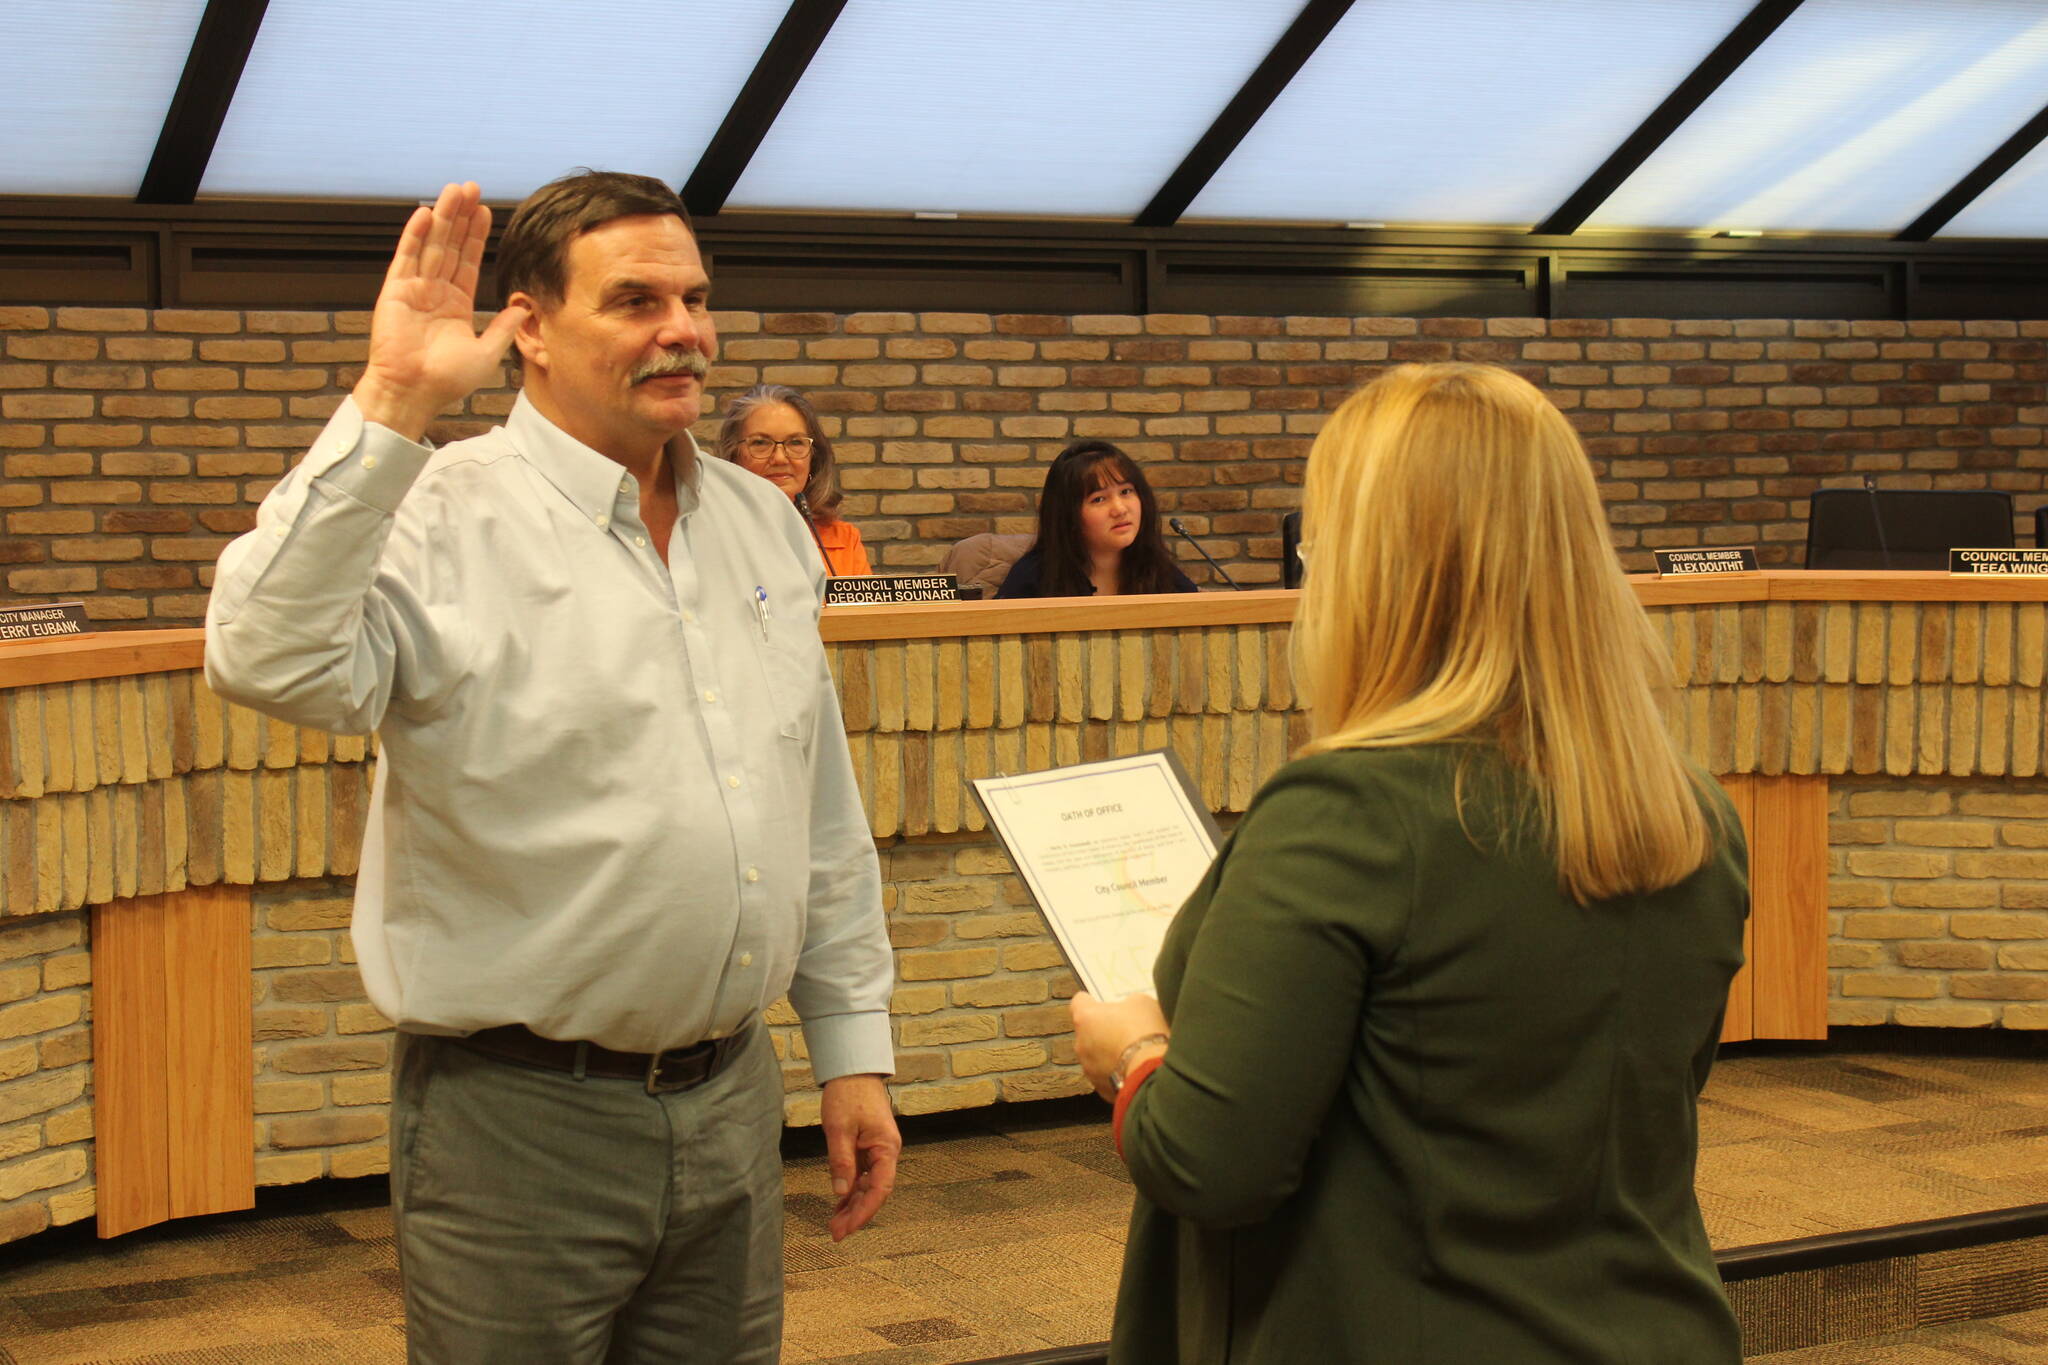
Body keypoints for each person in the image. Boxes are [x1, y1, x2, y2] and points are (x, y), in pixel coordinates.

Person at [204, 174, 899, 1364]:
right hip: (517, 1123)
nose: (682, 327)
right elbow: (265, 661)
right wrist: (389, 405)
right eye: (633, 299)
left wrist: (852, 1049)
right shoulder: (435, 512)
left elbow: (812, 807)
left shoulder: (759, 521)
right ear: (527, 326)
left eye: (692, 296)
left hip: (734, 1098)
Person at [1070, 362, 1748, 1364]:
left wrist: (1130, 1054)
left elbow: (1210, 1163)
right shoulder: (1687, 811)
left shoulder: (1348, 813)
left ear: (1375, 566)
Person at [994, 439, 1198, 597]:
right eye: (1099, 499)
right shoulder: (1034, 578)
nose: (1119, 509)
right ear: (1068, 515)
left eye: (1126, 492)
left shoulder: (1160, 571)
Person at [716, 383, 871, 575]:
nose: (780, 458)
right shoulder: (709, 536)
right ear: (733, 456)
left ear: (813, 457)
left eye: (795, 442)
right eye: (760, 443)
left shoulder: (843, 540)